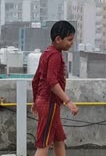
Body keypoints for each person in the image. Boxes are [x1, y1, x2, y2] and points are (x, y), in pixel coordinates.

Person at [31, 21, 79, 156]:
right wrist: (68, 101)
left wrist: (35, 101)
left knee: (58, 138)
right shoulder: (55, 56)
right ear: (58, 39)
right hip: (49, 102)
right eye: (69, 40)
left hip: (44, 101)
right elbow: (52, 82)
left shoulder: (47, 53)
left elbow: (36, 79)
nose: (71, 43)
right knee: (44, 142)